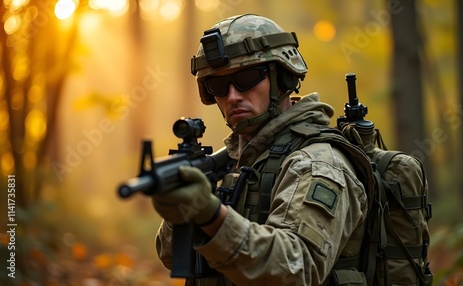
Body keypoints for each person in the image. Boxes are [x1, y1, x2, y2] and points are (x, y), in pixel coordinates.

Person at [152, 14, 372, 285]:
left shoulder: (317, 163)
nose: (232, 96)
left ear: (283, 79)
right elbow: (172, 257)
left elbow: (296, 268)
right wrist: (180, 211)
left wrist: (210, 214)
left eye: (246, 78)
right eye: (219, 85)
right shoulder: (230, 162)